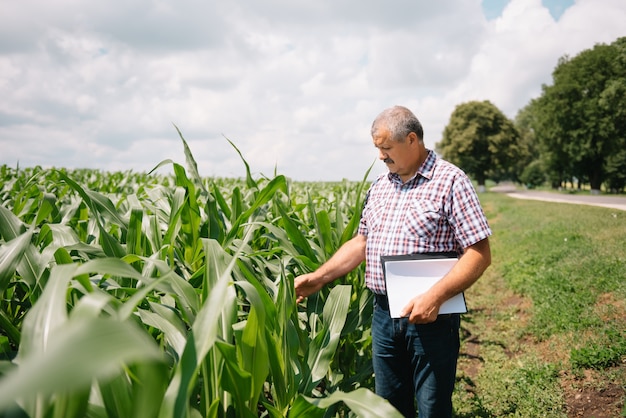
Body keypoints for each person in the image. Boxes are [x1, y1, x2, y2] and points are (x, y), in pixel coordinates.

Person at [294, 105, 492, 418]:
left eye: (387, 148)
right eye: (378, 149)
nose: (382, 157)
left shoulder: (451, 181)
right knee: (388, 408)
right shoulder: (380, 187)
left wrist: (435, 297)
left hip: (432, 317)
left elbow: (479, 253)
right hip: (384, 315)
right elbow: (362, 242)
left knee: (432, 408)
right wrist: (319, 277)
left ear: (412, 140)